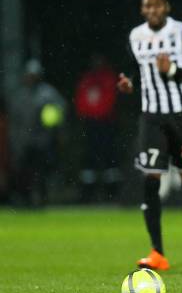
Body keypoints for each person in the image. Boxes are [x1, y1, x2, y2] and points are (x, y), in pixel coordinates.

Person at [118, 0, 182, 271]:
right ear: (142, 9)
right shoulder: (136, 36)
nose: (152, 11)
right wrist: (128, 81)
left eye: (157, 6)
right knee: (150, 180)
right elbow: (132, 67)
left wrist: (173, 72)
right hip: (151, 118)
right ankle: (157, 252)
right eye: (147, 6)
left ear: (166, 7)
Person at [10, 59, 66, 207]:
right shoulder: (20, 95)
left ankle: (41, 198)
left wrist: (55, 130)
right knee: (23, 173)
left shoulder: (48, 94)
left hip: (42, 141)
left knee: (41, 172)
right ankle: (25, 200)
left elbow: (60, 111)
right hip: (23, 141)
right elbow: (15, 120)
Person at [75, 53, 121, 203]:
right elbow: (81, 99)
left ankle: (111, 192)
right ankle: (88, 193)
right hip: (90, 123)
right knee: (89, 159)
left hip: (106, 123)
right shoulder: (87, 79)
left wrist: (100, 114)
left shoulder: (108, 78)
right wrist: (85, 115)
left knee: (109, 158)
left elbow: (110, 100)